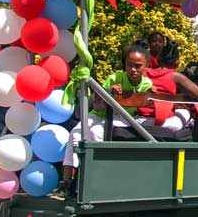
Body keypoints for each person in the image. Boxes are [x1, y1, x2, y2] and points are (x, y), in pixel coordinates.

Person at [61, 44, 154, 182]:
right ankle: (68, 179)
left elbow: (141, 105)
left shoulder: (147, 84)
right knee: (76, 132)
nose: (133, 70)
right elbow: (97, 105)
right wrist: (110, 92)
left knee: (95, 132)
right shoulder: (114, 79)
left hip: (123, 117)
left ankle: (96, 175)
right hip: (99, 114)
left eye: (138, 66)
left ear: (146, 67)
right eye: (129, 65)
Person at [138, 39, 198, 130]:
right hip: (165, 123)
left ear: (158, 60)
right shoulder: (175, 76)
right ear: (177, 62)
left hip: (140, 121)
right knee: (184, 112)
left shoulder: (144, 72)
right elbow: (197, 94)